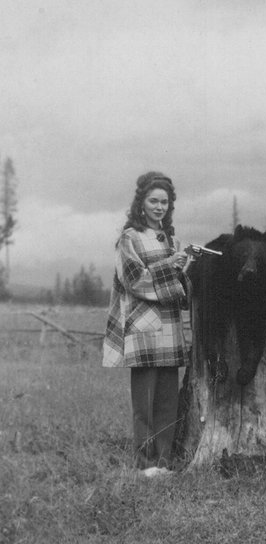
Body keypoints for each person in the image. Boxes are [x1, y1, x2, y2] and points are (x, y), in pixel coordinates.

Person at [103, 171, 190, 477]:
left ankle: (164, 463)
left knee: (168, 401)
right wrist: (170, 266)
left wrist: (184, 271)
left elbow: (179, 289)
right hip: (143, 331)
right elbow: (133, 279)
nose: (159, 207)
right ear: (141, 203)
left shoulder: (172, 239)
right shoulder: (129, 239)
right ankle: (145, 464)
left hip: (170, 329)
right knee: (146, 403)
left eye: (164, 201)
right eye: (153, 200)